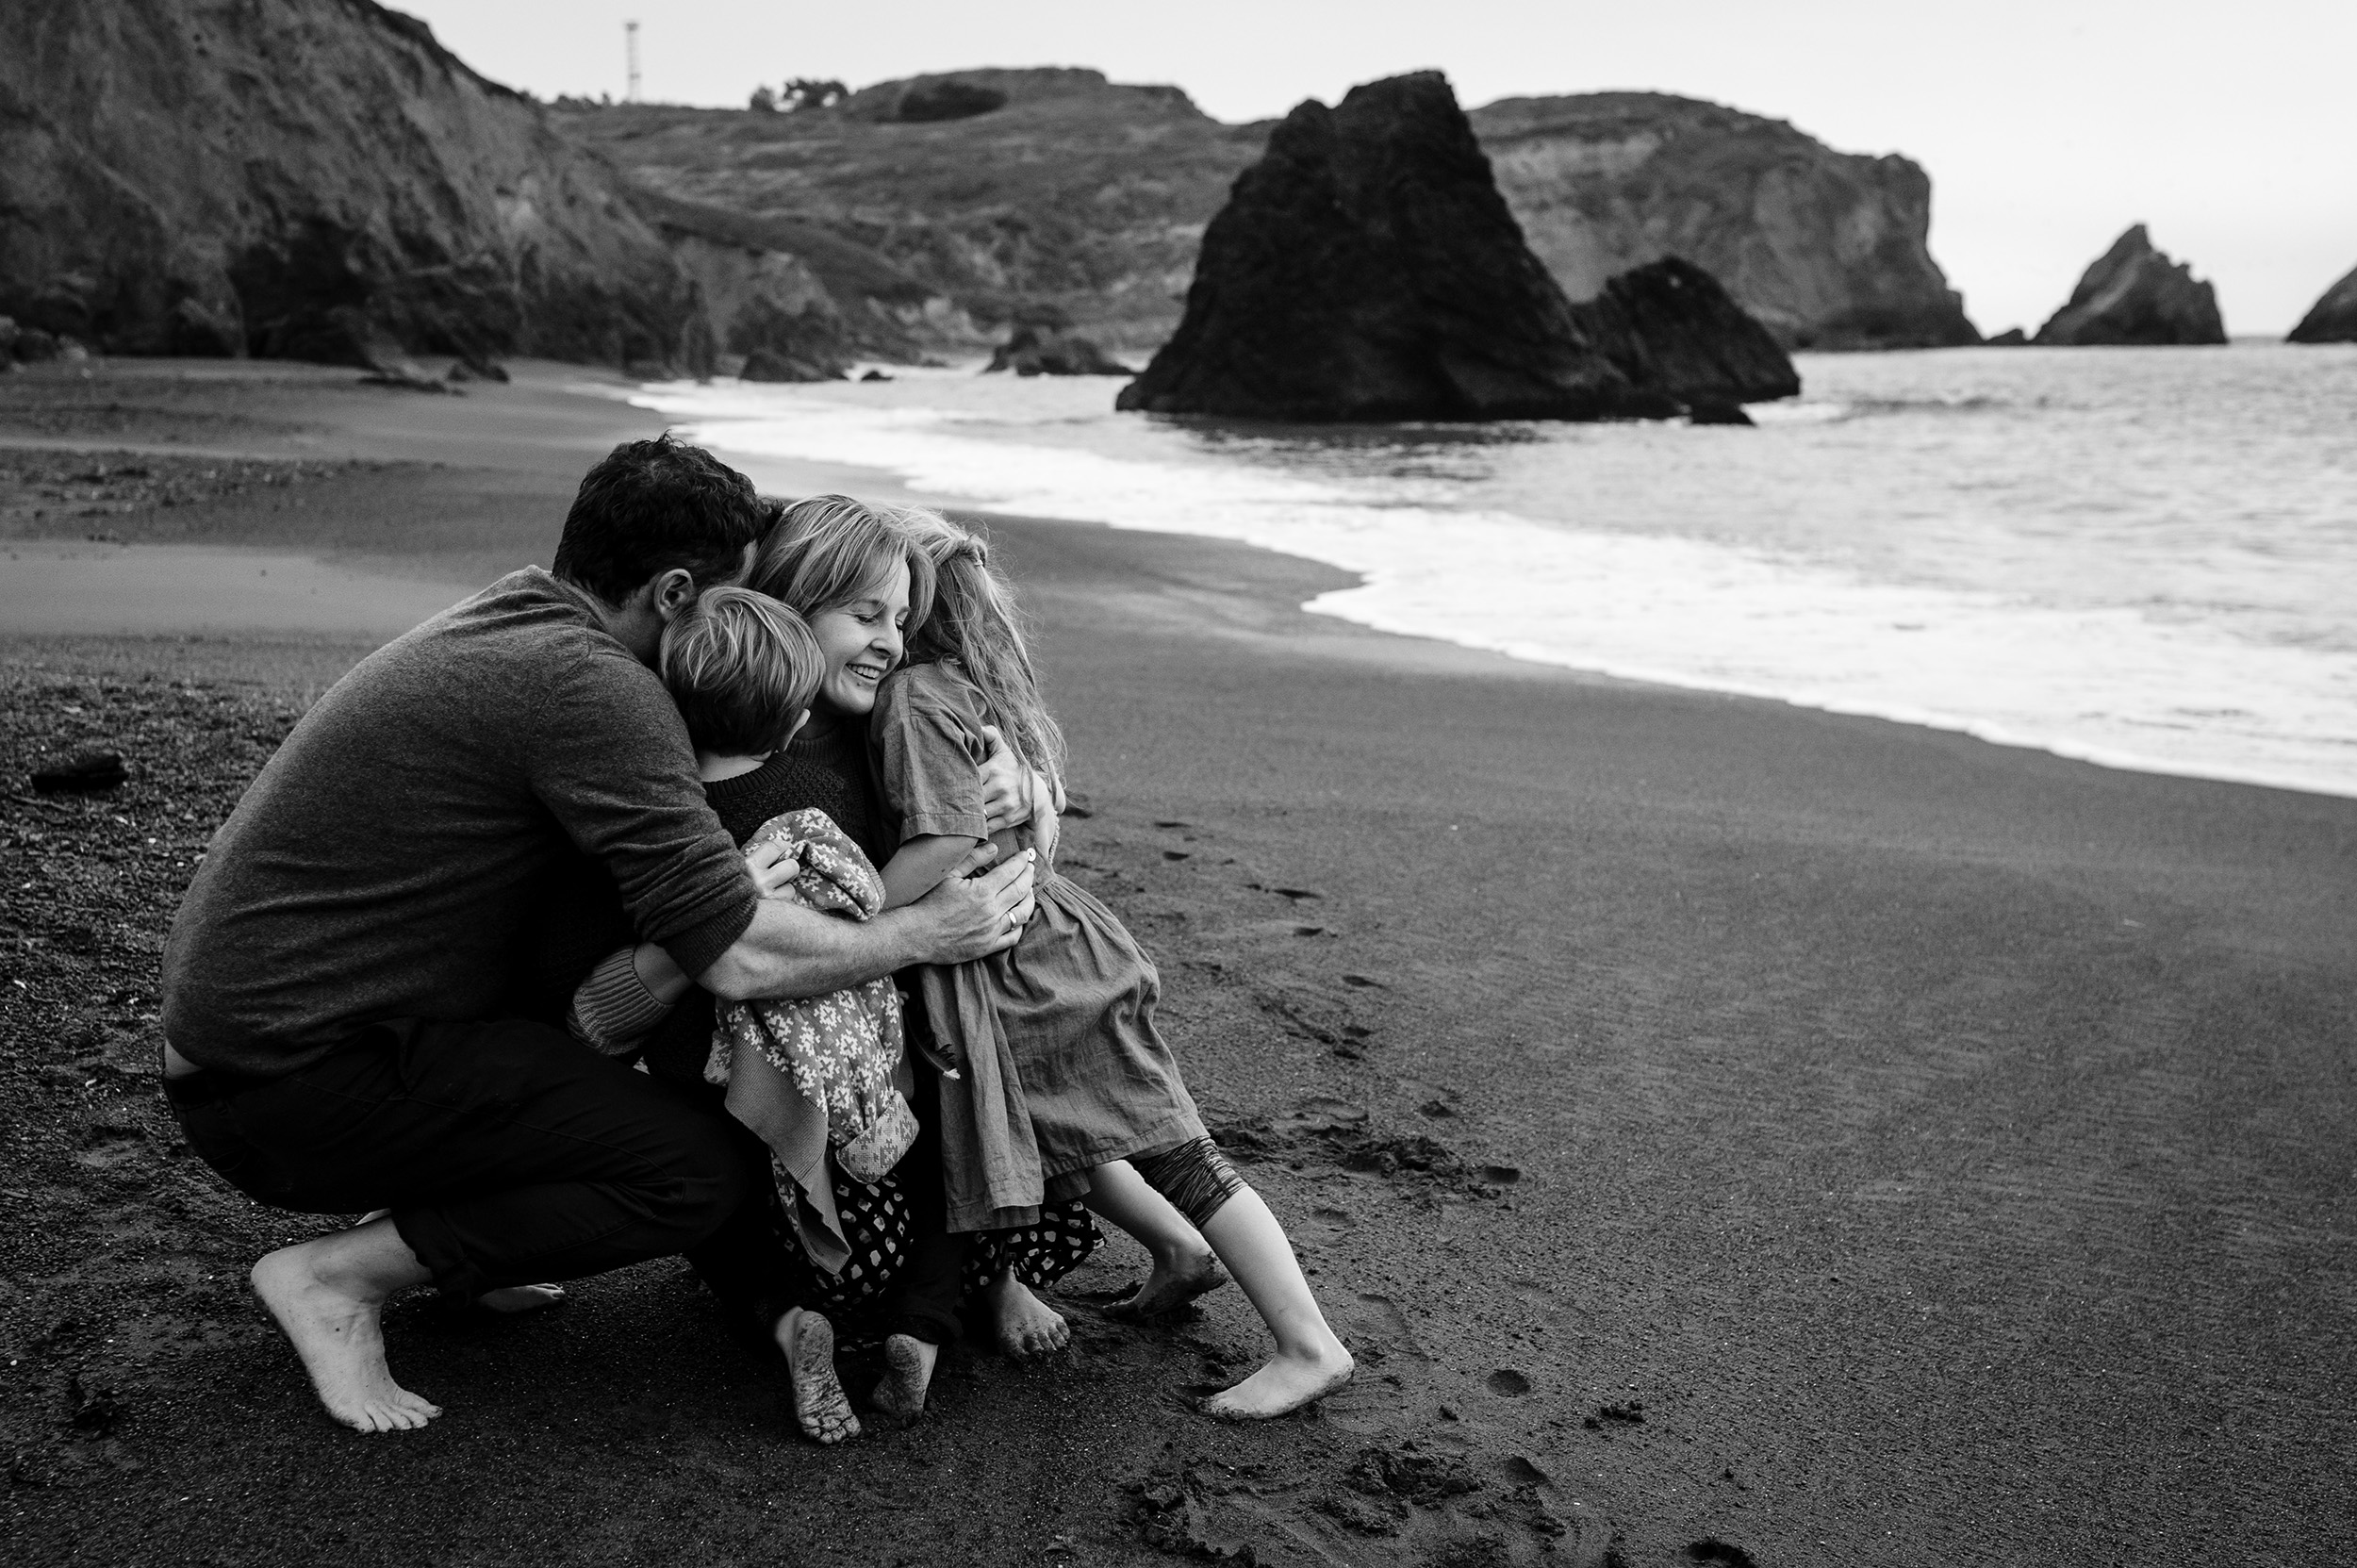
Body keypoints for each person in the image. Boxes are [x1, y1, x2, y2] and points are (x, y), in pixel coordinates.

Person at [155, 436, 1039, 1434]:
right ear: (671, 592)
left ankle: (466, 1248)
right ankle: (337, 1277)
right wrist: (930, 927)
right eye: (734, 599)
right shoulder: (597, 692)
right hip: (285, 1084)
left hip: (264, 1034)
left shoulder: (516, 615)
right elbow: (741, 955)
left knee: (584, 1044)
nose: (750, 624)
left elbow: (803, 699)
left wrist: (1007, 768)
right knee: (694, 1171)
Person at [573, 494, 1097, 1441]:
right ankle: (939, 1314)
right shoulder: (833, 748)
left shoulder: (709, 735)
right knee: (978, 1135)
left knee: (739, 1219)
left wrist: (1024, 769)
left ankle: (789, 1320)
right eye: (867, 615)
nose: (891, 642)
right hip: (875, 1117)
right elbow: (970, 843)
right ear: (791, 600)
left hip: (773, 1151)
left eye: (898, 618)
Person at [870, 507, 1356, 1420]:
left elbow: (944, 843)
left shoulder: (914, 697)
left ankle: (1308, 1342)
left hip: (1035, 966)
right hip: (1047, 948)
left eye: (878, 605)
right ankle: (1180, 1255)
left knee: (1171, 1145)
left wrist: (856, 902)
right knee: (1077, 1138)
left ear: (907, 605)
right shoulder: (975, 685)